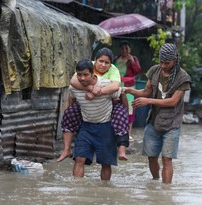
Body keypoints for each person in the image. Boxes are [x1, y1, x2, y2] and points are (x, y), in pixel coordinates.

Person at [123, 43, 191, 184]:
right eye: (161, 62)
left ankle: (166, 192)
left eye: (167, 63)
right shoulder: (155, 70)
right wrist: (129, 90)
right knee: (151, 156)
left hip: (172, 124)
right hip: (153, 122)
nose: (163, 65)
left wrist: (148, 101)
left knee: (167, 158)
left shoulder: (183, 77)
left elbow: (173, 101)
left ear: (175, 60)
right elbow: (146, 91)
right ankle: (155, 182)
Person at [57, 47, 130, 162]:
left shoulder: (113, 70)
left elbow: (116, 87)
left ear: (111, 64)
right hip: (87, 105)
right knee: (69, 113)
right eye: (100, 61)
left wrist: (97, 92)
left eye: (106, 62)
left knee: (121, 115)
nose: (103, 65)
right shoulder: (87, 67)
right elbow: (73, 81)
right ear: (95, 61)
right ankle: (66, 149)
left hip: (109, 100)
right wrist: (90, 88)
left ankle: (121, 150)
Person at [70, 59, 121, 180]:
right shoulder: (74, 88)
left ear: (93, 74)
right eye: (79, 75)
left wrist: (122, 123)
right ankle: (76, 189)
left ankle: (105, 189)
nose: (82, 78)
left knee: (105, 162)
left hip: (105, 127)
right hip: (86, 126)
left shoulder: (106, 85)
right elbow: (71, 101)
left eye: (86, 75)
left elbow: (120, 94)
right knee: (79, 158)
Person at [114, 40, 141, 142]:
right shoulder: (116, 59)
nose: (125, 50)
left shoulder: (133, 59)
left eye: (127, 48)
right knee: (116, 105)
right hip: (116, 85)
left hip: (129, 87)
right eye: (122, 48)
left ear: (130, 49)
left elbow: (137, 71)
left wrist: (133, 62)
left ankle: (128, 133)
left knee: (130, 108)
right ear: (119, 49)